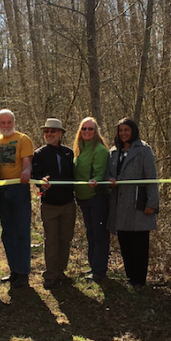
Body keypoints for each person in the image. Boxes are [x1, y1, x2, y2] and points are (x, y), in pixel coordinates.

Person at [106, 118, 159, 287]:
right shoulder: (114, 151)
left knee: (139, 243)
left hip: (138, 203)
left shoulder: (144, 150)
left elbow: (151, 177)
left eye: (126, 130)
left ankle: (139, 280)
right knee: (125, 242)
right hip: (120, 205)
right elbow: (107, 173)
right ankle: (130, 277)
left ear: (133, 131)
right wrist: (110, 179)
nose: (123, 133)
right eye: (120, 130)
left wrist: (152, 203)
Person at [0, 109, 34, 288]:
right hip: (0, 190)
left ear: (14, 122)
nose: (6, 126)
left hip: (19, 189)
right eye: (2, 123)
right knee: (7, 232)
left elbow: (28, 164)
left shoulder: (23, 139)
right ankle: (13, 270)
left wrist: (26, 171)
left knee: (21, 231)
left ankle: (23, 272)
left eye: (9, 122)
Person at [32, 118, 76, 289]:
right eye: (46, 131)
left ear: (60, 134)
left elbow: (74, 175)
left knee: (65, 238)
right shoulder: (39, 154)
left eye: (53, 131)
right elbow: (35, 176)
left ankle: (60, 271)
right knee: (51, 239)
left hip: (68, 203)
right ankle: (50, 274)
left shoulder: (69, 153)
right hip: (49, 204)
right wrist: (40, 181)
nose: (49, 134)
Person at [73, 117, 111, 282]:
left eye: (90, 129)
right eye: (84, 129)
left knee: (99, 234)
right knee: (90, 233)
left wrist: (95, 180)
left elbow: (100, 172)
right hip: (82, 198)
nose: (87, 132)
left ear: (96, 132)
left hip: (97, 197)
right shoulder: (78, 149)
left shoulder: (100, 150)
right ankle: (93, 267)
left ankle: (99, 271)